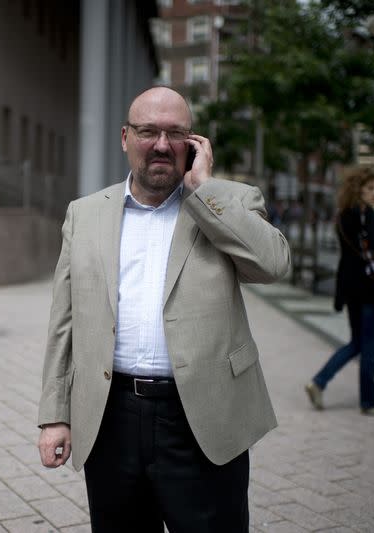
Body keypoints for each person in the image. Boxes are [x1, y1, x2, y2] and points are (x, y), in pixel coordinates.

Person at [37, 86, 291, 532]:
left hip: (202, 420)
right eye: (148, 131)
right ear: (125, 137)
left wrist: (203, 191)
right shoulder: (84, 214)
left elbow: (272, 265)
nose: (160, 144)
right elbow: (65, 322)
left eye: (175, 134)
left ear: (194, 144)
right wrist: (55, 415)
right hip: (110, 418)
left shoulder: (230, 201)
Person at [305, 167, 374, 417]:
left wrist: (340, 295)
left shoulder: (343, 216)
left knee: (357, 343)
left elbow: (346, 259)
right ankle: (369, 402)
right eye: (369, 188)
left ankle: (318, 382)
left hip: (352, 292)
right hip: (370, 290)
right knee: (369, 349)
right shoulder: (365, 212)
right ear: (357, 189)